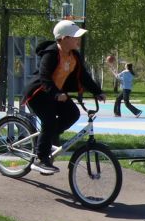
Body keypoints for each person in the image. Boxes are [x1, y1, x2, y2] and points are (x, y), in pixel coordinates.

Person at [25, 20, 104, 175]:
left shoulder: (74, 55)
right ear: (64, 39)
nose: (78, 39)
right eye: (75, 37)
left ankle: (49, 138)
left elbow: (84, 76)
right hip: (39, 93)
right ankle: (40, 159)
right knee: (49, 121)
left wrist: (97, 91)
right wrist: (56, 93)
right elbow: (44, 77)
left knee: (72, 114)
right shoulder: (51, 54)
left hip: (56, 94)